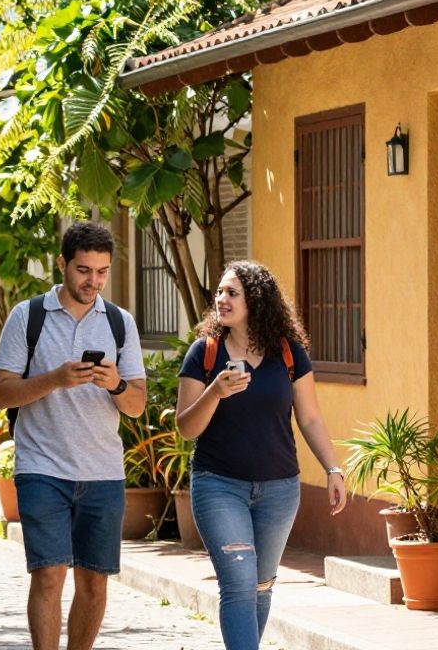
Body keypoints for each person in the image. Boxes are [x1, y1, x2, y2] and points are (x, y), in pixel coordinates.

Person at [0, 221, 147, 650]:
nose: (92, 281)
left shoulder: (120, 323)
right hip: (42, 467)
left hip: (102, 471)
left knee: (94, 583)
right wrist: (56, 379)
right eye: (83, 270)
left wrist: (114, 383)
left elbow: (136, 403)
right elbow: (1, 393)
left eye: (101, 272)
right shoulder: (29, 317)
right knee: (48, 574)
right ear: (62, 264)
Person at [176, 260, 346, 650]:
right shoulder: (205, 353)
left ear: (257, 299)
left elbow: (311, 417)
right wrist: (215, 392)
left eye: (232, 292)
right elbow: (187, 428)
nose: (221, 299)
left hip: (279, 490)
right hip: (218, 485)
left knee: (261, 585)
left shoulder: (289, 354)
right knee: (237, 584)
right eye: (219, 292)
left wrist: (332, 467)